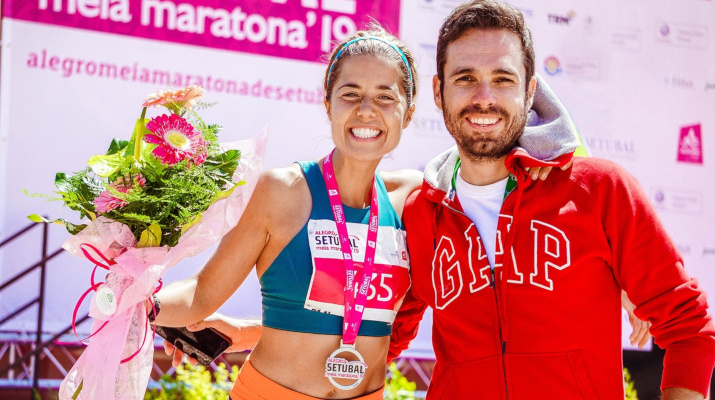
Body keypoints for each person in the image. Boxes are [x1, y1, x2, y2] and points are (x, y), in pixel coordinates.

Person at [149, 23, 580, 400]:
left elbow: (500, 149)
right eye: (350, 94)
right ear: (328, 104)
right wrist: (132, 299)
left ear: (409, 112)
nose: (366, 110)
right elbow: (200, 295)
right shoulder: (281, 191)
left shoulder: (414, 196)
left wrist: (624, 290)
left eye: (385, 97)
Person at [386, 1, 715, 399]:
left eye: (503, 79)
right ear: (439, 91)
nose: (484, 97)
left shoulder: (601, 190)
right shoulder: (423, 213)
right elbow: (381, 339)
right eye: (466, 77)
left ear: (530, 91)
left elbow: (688, 328)